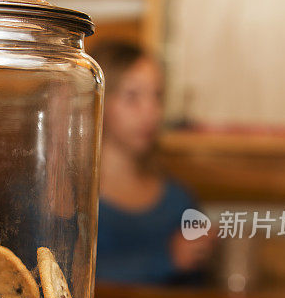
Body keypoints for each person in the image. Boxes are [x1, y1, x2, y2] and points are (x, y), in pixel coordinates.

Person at [91, 42, 212, 285]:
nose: (151, 112)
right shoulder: (66, 199)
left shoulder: (179, 200)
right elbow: (68, 279)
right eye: (132, 97)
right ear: (96, 100)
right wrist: (166, 260)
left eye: (157, 96)